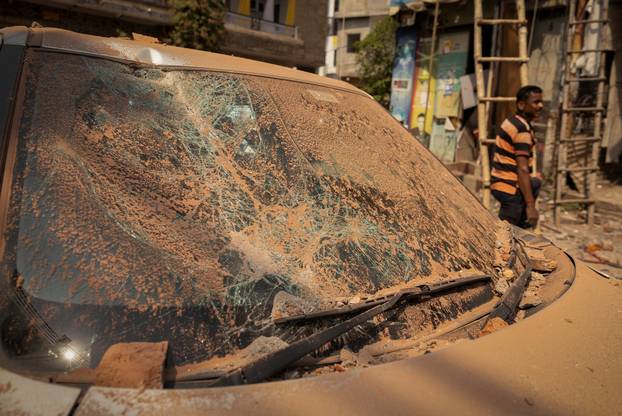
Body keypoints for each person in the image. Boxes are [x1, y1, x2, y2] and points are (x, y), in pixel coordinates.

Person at [491, 85, 544, 229]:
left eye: (541, 102)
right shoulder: (522, 130)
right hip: (511, 189)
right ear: (521, 105)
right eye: (535, 102)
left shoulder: (512, 121)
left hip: (501, 183)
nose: (540, 106)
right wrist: (531, 206)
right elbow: (522, 169)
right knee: (506, 236)